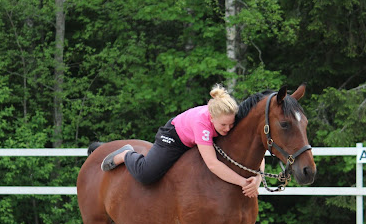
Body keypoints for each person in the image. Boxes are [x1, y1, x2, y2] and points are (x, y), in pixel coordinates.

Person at [101, 84, 263, 198]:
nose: (228, 129)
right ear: (212, 118)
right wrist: (243, 182)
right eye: (223, 125)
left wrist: (258, 179)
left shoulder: (228, 120)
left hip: (198, 136)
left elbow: (255, 149)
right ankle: (126, 154)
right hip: (174, 137)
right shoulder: (202, 123)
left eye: (231, 124)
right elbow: (212, 164)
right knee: (146, 175)